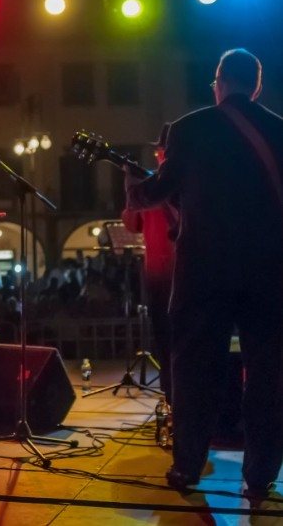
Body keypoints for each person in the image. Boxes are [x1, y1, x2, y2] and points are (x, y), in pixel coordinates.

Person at [125, 49, 283, 496]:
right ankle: (261, 474)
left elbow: (161, 190)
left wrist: (133, 191)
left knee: (195, 369)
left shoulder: (190, 128)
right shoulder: (279, 131)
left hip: (205, 271)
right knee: (269, 374)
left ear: (219, 82)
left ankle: (188, 467)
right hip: (269, 273)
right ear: (255, 85)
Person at [121, 123, 178, 403]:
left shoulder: (177, 185)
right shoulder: (150, 186)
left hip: (181, 273)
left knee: (178, 343)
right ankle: (171, 400)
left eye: (163, 150)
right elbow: (132, 222)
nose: (159, 155)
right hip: (157, 274)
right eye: (158, 151)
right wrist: (130, 188)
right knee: (165, 343)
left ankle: (182, 400)